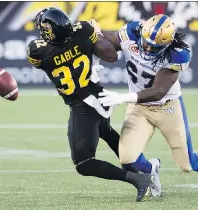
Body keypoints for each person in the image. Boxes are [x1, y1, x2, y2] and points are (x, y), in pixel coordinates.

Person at [92, 14, 198, 196]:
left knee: (186, 164)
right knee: (127, 159)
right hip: (139, 109)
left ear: (167, 43)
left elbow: (157, 91)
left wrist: (121, 98)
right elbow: (107, 45)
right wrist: (94, 34)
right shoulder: (132, 31)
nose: (147, 47)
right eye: (145, 42)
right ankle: (150, 169)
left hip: (167, 107)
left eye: (154, 46)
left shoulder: (178, 53)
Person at [26, 7, 153, 201]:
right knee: (106, 132)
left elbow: (45, 53)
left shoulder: (37, 51)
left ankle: (138, 178)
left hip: (83, 106)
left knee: (84, 164)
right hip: (99, 95)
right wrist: (94, 35)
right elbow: (110, 55)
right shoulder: (83, 30)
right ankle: (145, 167)